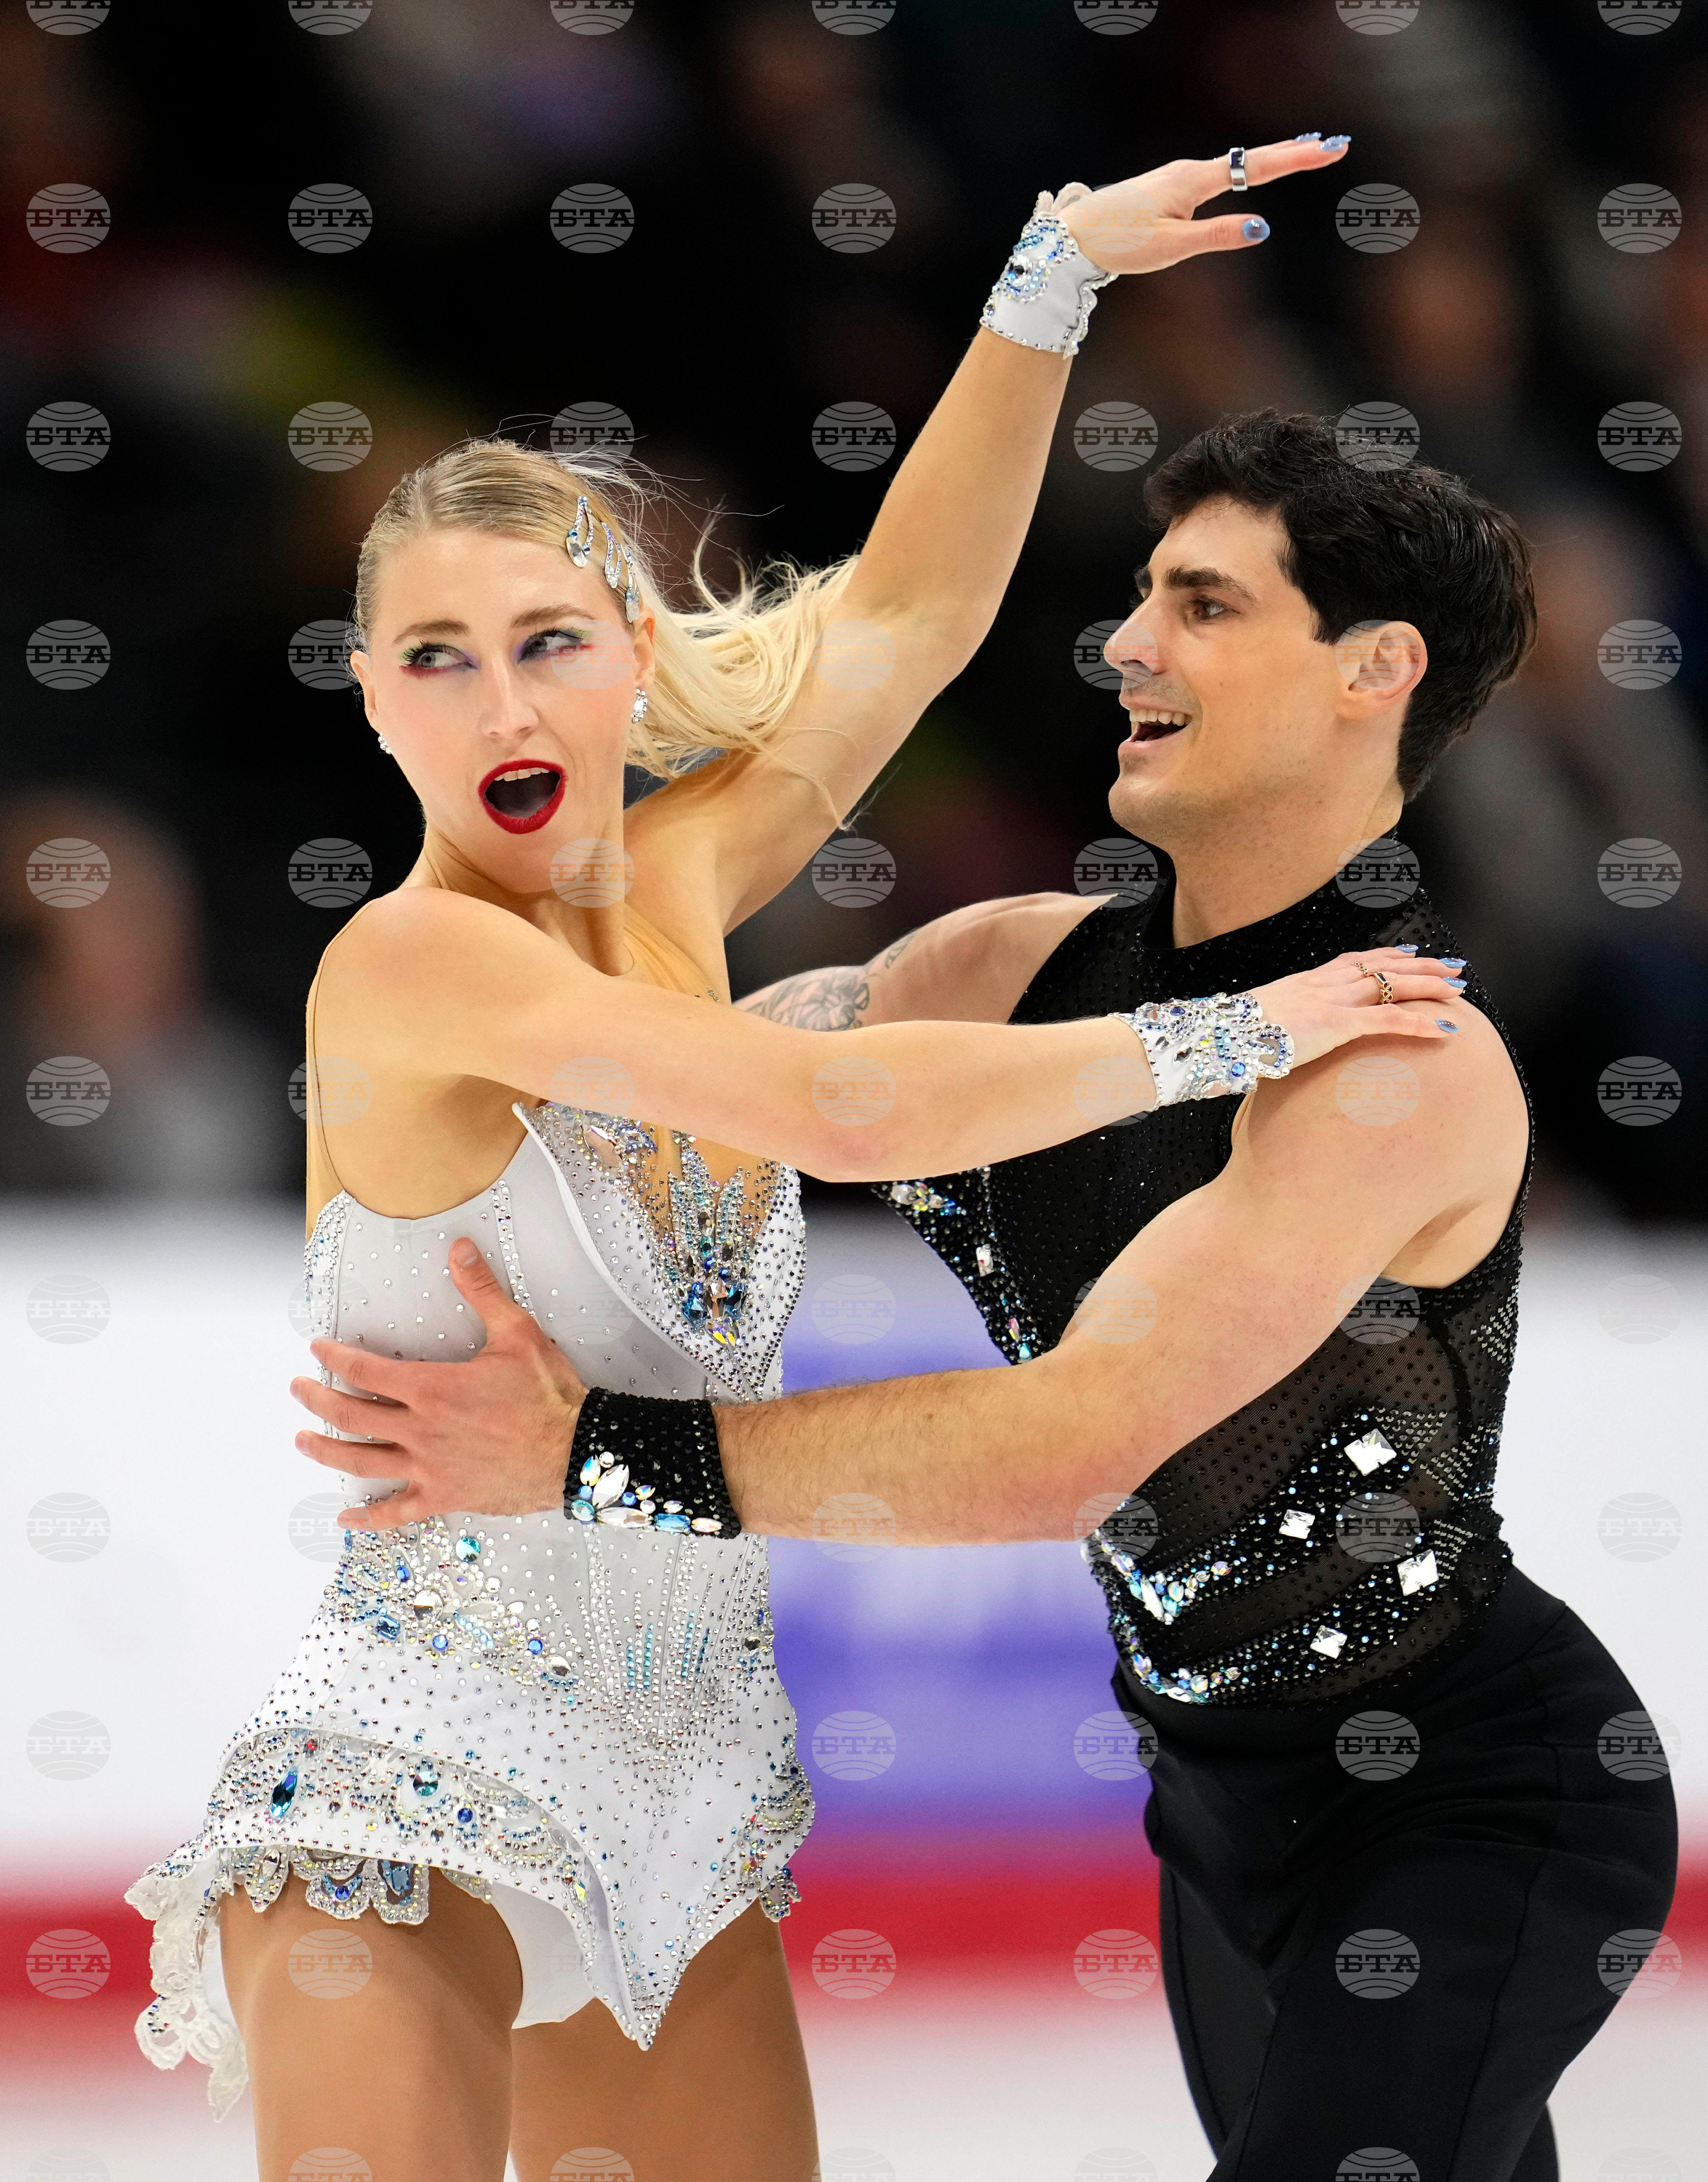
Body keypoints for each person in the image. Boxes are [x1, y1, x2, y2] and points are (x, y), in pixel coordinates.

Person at [130, 137, 1435, 2182]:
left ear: (636, 660)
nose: (498, 696)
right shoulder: (408, 963)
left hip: (694, 1782)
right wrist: (1230, 1033)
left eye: (551, 636)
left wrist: (1044, 277)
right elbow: (839, 1111)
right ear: (374, 704)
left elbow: (907, 612)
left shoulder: (680, 873)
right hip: (410, 1779)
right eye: (436, 656)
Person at [298, 409, 1679, 2179]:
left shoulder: (1395, 1068)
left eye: (1202, 604)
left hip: (1473, 1798)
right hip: (1214, 1805)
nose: (1126, 644)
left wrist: (591, 1450)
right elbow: (676, 1095)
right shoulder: (1000, 970)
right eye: (1136, 595)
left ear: (1372, 671)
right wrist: (438, 1046)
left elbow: (1066, 1450)